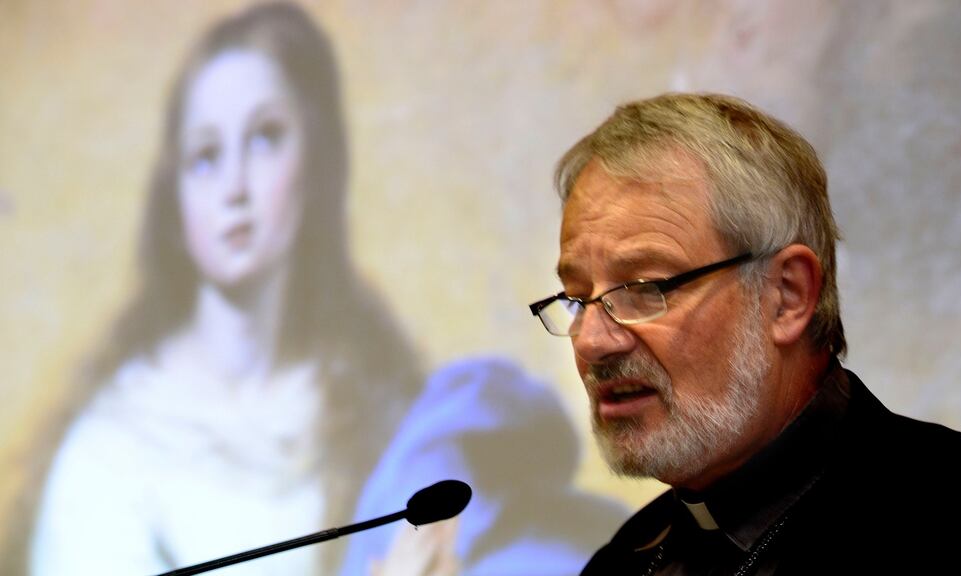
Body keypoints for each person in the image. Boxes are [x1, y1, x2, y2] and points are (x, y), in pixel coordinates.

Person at [27, 3, 622, 575]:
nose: (234, 186)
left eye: (264, 139)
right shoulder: (109, 452)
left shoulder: (374, 400)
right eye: (205, 156)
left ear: (315, 164)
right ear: (176, 198)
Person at [529, 92, 961, 574]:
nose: (592, 341)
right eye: (575, 296)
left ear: (787, 296)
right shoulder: (623, 559)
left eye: (645, 287)